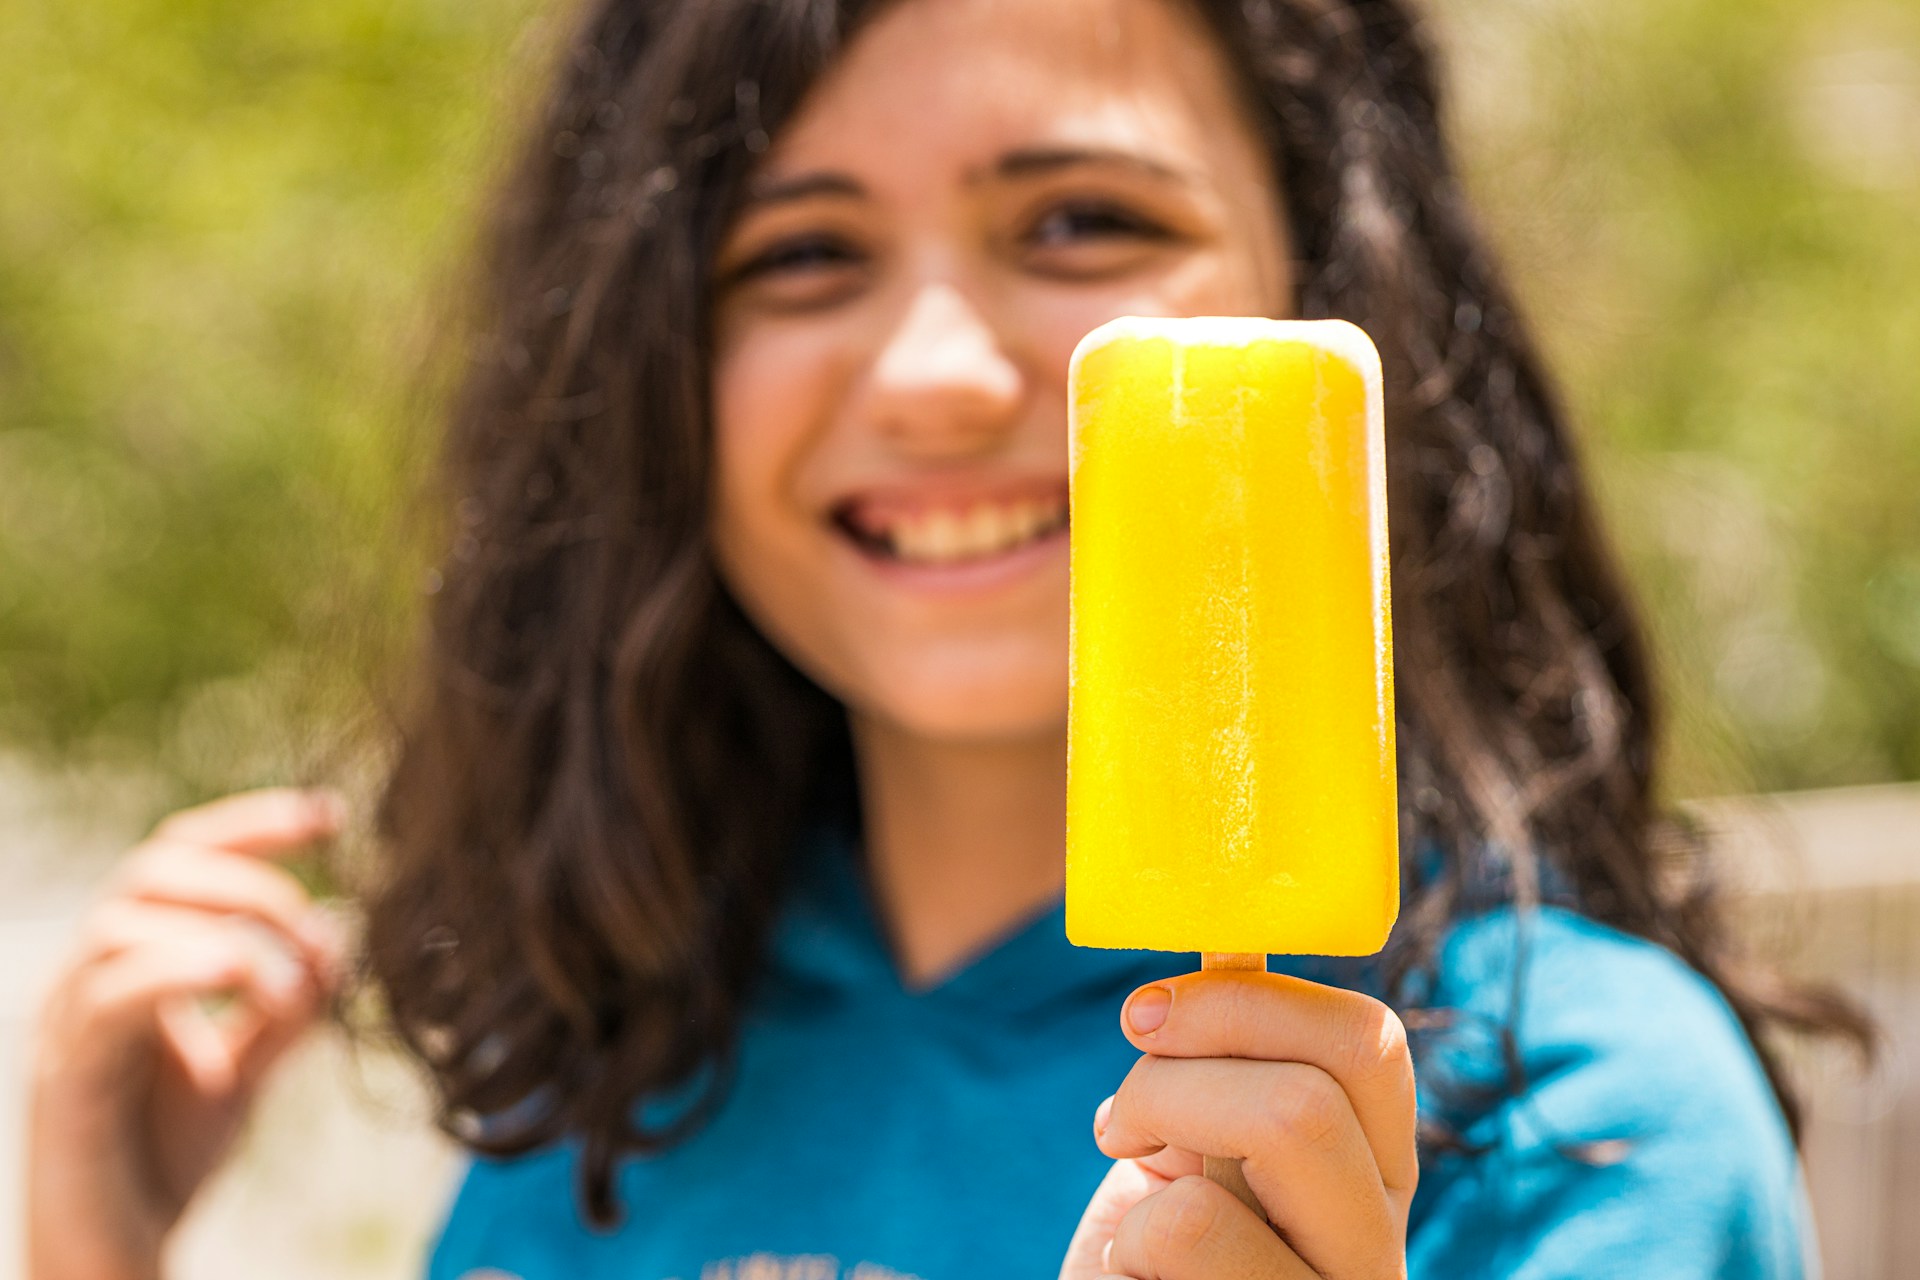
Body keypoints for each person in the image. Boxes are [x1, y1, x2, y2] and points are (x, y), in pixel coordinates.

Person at [25, 0, 1869, 1276]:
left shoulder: (1584, 1127)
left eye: (1080, 221)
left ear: (1331, 293)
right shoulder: (617, 1073)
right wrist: (99, 1260)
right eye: (803, 256)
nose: (935, 374)